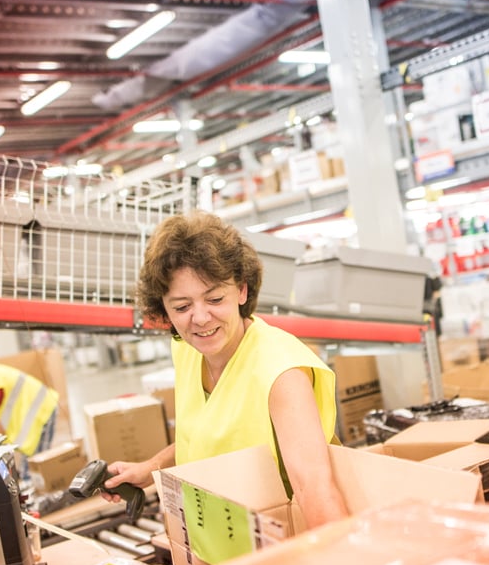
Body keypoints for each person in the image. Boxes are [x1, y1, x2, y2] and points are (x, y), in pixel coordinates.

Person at [102, 211, 348, 529]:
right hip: (216, 536)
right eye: (182, 306)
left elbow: (313, 486)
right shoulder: (187, 350)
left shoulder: (281, 372)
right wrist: (150, 468)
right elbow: (205, 440)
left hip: (280, 547)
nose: (201, 318)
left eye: (215, 298)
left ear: (242, 291)